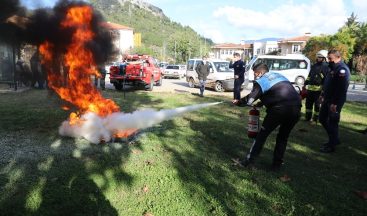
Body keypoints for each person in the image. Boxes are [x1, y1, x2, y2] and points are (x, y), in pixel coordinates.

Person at [237, 63, 301, 169]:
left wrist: (238, 102)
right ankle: (277, 165)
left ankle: (249, 161)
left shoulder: (261, 81)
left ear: (261, 72)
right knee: (283, 137)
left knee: (261, 135)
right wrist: (261, 103)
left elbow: (249, 100)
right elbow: (276, 91)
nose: (254, 76)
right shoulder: (279, 76)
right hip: (296, 108)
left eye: (255, 73)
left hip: (279, 110)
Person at [319, 50, 350, 153]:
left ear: (338, 57)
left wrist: (335, 103)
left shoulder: (342, 69)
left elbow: (342, 88)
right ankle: (334, 139)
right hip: (328, 98)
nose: (329, 60)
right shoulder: (332, 67)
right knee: (322, 118)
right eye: (328, 58)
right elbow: (328, 83)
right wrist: (323, 95)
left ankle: (331, 146)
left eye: (331, 58)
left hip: (335, 101)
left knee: (333, 122)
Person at [302, 50, 329, 122]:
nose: (318, 58)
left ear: (324, 58)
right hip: (310, 90)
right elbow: (309, 76)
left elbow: (326, 80)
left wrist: (323, 91)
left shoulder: (327, 67)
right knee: (308, 105)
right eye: (318, 57)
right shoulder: (314, 65)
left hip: (318, 91)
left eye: (320, 57)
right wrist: (305, 83)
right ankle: (307, 118)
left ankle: (315, 119)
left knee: (317, 106)